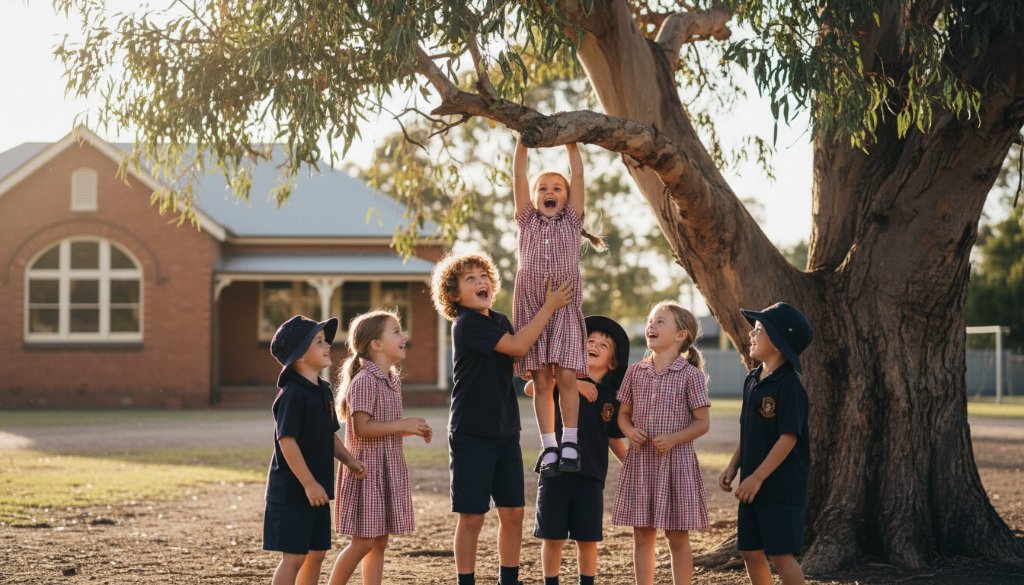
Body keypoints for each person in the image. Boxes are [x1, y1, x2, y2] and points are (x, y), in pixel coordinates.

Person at [430, 251, 572, 585]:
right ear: (454, 295)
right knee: (473, 517)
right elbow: (519, 346)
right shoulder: (468, 324)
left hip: (506, 431)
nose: (481, 282)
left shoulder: (498, 320)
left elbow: (517, 361)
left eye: (484, 276)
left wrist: (544, 381)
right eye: (470, 279)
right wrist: (549, 306)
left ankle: (508, 580)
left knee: (513, 513)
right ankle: (466, 580)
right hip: (471, 433)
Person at [513, 137, 605, 478]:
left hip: (564, 306)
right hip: (532, 307)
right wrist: (522, 144)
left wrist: (571, 144)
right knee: (541, 380)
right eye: (542, 189)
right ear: (534, 198)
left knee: (566, 374)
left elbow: (578, 176)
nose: (548, 192)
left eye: (557, 188)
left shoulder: (571, 222)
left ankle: (570, 441)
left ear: (567, 199)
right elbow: (519, 176)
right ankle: (549, 445)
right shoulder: (526, 220)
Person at [328, 310, 432, 585]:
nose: (404, 336)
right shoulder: (364, 381)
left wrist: (411, 429)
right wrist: (403, 424)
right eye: (396, 331)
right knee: (363, 542)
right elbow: (362, 428)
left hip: (386, 468)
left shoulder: (391, 380)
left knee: (379, 541)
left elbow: (384, 428)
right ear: (376, 344)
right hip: (366, 471)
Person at [525, 315, 630, 585]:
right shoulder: (563, 381)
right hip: (554, 471)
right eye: (589, 340)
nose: (594, 344)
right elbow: (530, 387)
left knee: (587, 538)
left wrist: (634, 466)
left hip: (591, 476)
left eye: (603, 345)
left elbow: (614, 440)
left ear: (613, 362)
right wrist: (574, 383)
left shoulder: (612, 399)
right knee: (553, 536)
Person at [263, 315, 367, 585]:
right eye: (318, 341)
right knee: (294, 557)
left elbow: (328, 434)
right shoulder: (291, 394)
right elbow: (287, 442)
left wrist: (349, 460)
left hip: (317, 489)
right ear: (299, 356)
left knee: (317, 553)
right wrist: (308, 483)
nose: (327, 345)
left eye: (325, 340)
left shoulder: (322, 390)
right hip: (294, 490)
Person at [612, 301, 711, 585]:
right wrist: (629, 432)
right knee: (642, 533)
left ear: (681, 335)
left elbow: (703, 423)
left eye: (660, 321)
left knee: (677, 535)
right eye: (651, 321)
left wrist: (673, 439)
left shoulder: (690, 375)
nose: (651, 326)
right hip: (642, 462)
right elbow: (623, 416)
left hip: (676, 463)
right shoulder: (635, 372)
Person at [718, 302, 813, 585]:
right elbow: (747, 431)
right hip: (751, 484)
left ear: (779, 341)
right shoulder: (752, 379)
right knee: (749, 550)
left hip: (780, 485)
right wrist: (734, 467)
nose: (751, 334)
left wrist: (758, 477)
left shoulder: (789, 386)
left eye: (759, 330)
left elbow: (789, 437)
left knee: (781, 555)